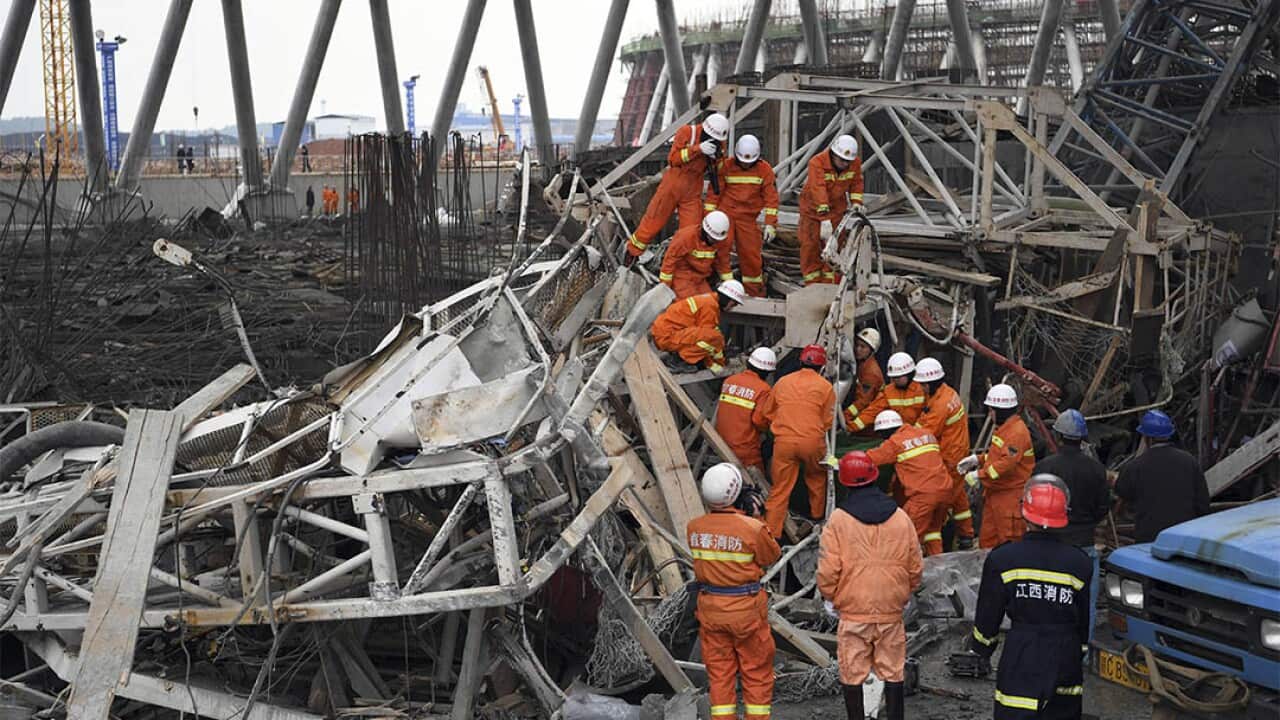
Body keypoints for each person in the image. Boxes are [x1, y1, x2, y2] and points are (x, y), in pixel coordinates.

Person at [969, 475, 1092, 719]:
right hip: (1065, 654)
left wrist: (982, 648)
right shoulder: (1080, 563)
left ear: (1025, 514)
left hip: (1022, 653)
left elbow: (988, 615)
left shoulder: (1003, 559)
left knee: (1016, 711)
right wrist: (1078, 652)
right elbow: (1083, 620)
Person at [818, 450, 922, 720]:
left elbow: (829, 567)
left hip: (853, 610)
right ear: (874, 477)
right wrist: (907, 591)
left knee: (852, 672)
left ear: (846, 482)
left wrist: (829, 596)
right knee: (894, 670)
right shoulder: (900, 517)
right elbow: (915, 564)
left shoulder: (839, 520)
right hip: (891, 608)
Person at [689, 463, 781, 720]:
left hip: (711, 611)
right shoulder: (752, 529)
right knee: (756, 673)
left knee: (720, 676)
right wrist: (756, 517)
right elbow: (771, 554)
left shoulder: (694, 528)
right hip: (746, 612)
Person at [1034, 409, 1109, 646]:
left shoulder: (1045, 467)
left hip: (1051, 544)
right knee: (1085, 601)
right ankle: (1081, 650)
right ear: (1083, 438)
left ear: (1057, 436)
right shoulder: (1096, 470)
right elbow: (1103, 508)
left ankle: (1047, 645)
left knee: (1048, 598)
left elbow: (1034, 503)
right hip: (1084, 545)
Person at [625, 112, 731, 262]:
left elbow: (718, 175)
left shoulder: (720, 143)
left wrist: (716, 159)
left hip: (693, 187)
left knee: (691, 229)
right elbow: (673, 159)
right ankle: (632, 253)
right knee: (654, 219)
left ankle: (683, 264)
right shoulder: (687, 132)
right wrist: (697, 149)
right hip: (674, 182)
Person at [756, 344, 836, 538]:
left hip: (784, 441)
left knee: (780, 489)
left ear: (800, 361)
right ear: (822, 367)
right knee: (816, 477)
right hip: (812, 441)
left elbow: (767, 412)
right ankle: (816, 519)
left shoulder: (783, 382)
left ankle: (772, 534)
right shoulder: (826, 387)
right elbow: (827, 421)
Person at [864, 410, 953, 555]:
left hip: (923, 496)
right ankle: (938, 566)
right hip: (945, 490)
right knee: (933, 531)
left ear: (885, 431)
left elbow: (870, 459)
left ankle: (904, 571)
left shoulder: (895, 442)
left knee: (905, 536)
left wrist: (839, 463)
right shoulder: (926, 434)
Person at [959, 384, 1036, 548]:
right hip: (995, 495)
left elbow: (1006, 464)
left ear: (1001, 411)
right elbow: (998, 457)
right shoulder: (1005, 429)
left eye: (992, 410)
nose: (990, 414)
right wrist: (977, 459)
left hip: (1010, 497)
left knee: (1009, 544)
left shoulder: (1016, 433)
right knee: (987, 542)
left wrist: (979, 475)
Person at [1114, 410, 1208, 543]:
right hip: (1184, 538)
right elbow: (1203, 504)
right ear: (1169, 435)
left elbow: (1122, 494)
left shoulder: (1135, 467)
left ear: (1147, 438)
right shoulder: (1190, 461)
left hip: (1149, 539)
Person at [704, 134, 779, 297]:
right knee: (722, 250)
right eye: (743, 160)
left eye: (749, 161)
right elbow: (714, 193)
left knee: (751, 256)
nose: (746, 163)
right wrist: (710, 217)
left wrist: (770, 224)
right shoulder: (726, 166)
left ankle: (755, 294)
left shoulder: (764, 170)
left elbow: (771, 199)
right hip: (726, 215)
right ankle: (726, 288)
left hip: (748, 219)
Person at [914, 358, 975, 550]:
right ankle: (966, 536)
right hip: (957, 456)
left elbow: (924, 432)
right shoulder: (948, 393)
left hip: (948, 460)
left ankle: (936, 555)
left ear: (931, 383)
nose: (922, 389)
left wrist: (902, 435)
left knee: (935, 515)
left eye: (923, 385)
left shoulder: (940, 405)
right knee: (958, 498)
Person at [798, 134, 863, 285]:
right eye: (842, 160)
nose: (845, 164)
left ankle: (830, 286)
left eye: (848, 161)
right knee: (810, 248)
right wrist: (824, 219)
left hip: (836, 213)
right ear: (833, 154)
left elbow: (857, 183)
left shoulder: (854, 164)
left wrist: (856, 201)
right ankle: (812, 286)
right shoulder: (817, 163)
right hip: (812, 212)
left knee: (834, 251)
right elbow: (818, 189)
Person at [651, 281, 747, 374]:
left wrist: (719, 351)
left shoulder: (709, 301)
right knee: (714, 336)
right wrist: (716, 365)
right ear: (728, 299)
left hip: (665, 333)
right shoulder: (710, 307)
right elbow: (709, 337)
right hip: (666, 337)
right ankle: (679, 361)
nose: (733, 307)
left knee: (713, 335)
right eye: (734, 304)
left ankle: (680, 356)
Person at [716, 347, 777, 473]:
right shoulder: (763, 389)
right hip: (744, 449)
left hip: (720, 443)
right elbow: (759, 421)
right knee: (756, 482)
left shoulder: (729, 381)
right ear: (766, 372)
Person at [659, 210, 733, 299]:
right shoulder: (686, 237)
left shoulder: (720, 241)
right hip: (682, 275)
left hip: (701, 278)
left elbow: (723, 263)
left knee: (710, 302)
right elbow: (669, 262)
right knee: (690, 305)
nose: (715, 242)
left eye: (717, 239)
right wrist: (664, 288)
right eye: (712, 239)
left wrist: (730, 286)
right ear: (705, 231)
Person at [846, 352, 925, 432]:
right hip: (898, 434)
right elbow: (872, 411)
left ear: (909, 374)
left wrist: (915, 432)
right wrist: (852, 427)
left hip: (918, 433)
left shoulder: (922, 390)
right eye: (893, 377)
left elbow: (929, 416)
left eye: (898, 377)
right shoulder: (888, 392)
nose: (895, 380)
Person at [844, 328, 883, 426]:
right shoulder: (863, 364)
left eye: (863, 347)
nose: (858, 349)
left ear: (871, 350)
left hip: (868, 418)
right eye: (857, 345)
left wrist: (846, 415)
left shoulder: (871, 373)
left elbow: (863, 401)